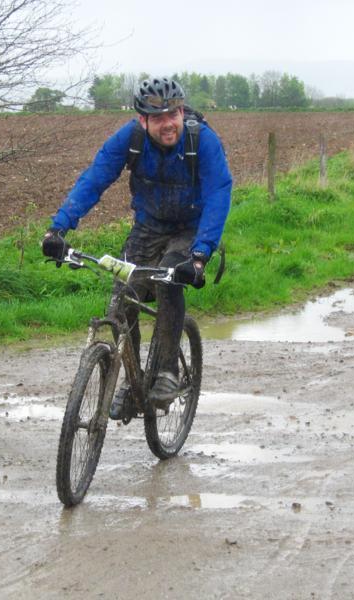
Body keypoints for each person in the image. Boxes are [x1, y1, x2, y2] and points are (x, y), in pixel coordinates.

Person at [42, 76, 232, 419]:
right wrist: (58, 228)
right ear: (142, 120)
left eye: (173, 114)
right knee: (123, 294)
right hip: (148, 228)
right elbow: (94, 179)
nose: (168, 123)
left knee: (169, 280)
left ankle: (167, 371)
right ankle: (133, 380)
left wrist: (200, 255)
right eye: (158, 118)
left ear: (181, 112)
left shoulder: (202, 141)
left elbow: (219, 192)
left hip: (190, 230)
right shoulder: (130, 139)